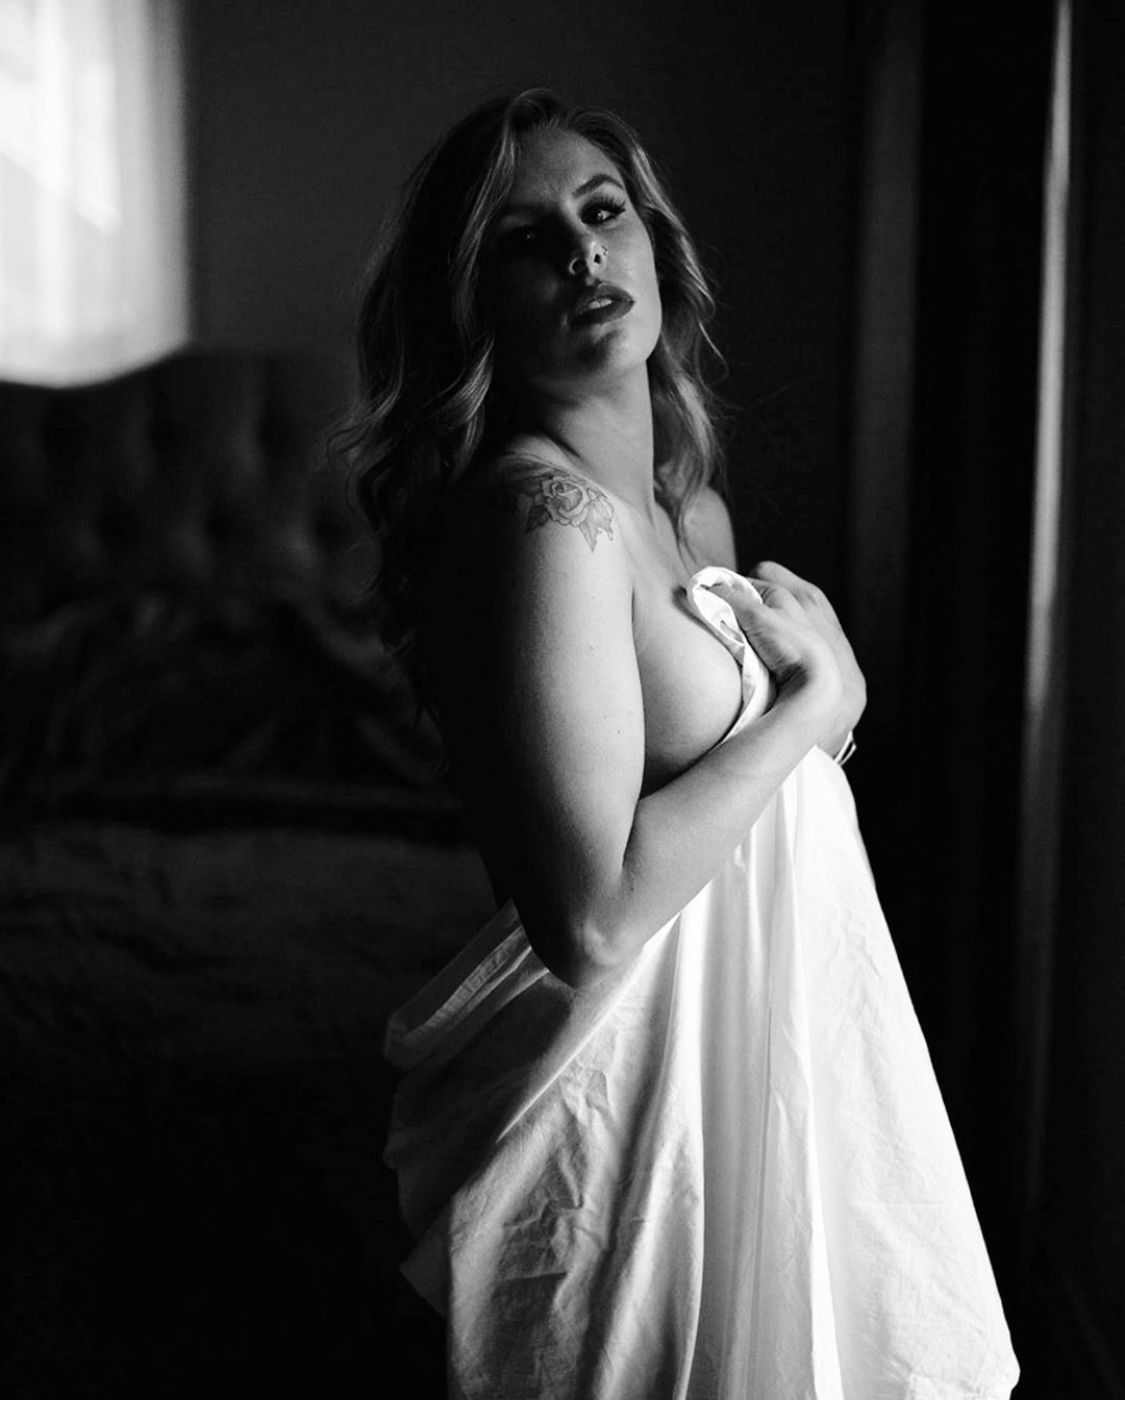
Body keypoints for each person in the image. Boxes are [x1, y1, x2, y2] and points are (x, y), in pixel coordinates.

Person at [347, 89, 1020, 1400]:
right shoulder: (546, 524)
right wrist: (815, 709)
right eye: (525, 240)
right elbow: (594, 920)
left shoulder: (687, 513)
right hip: (631, 1123)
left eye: (603, 212)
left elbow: (742, 806)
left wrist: (815, 721)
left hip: (765, 1077)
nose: (581, 253)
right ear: (473, 303)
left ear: (656, 246)